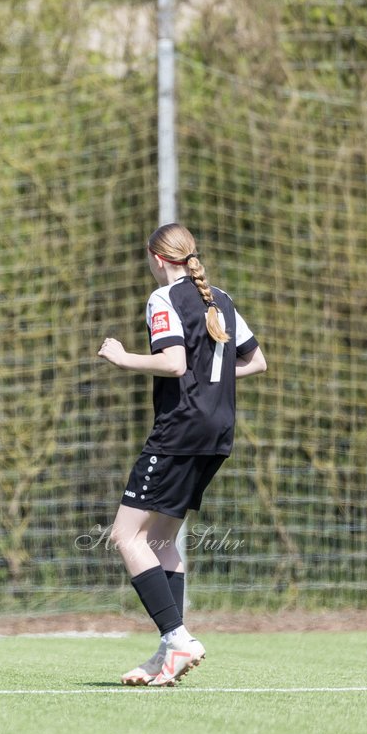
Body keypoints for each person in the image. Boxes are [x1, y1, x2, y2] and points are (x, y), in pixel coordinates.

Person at [97, 223, 267, 687]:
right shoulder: (221, 299)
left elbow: (172, 363)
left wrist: (122, 356)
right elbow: (257, 361)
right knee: (161, 540)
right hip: (217, 431)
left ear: (157, 258)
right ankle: (166, 652)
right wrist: (214, 384)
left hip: (179, 431)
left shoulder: (164, 298)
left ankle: (178, 637)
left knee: (125, 536)